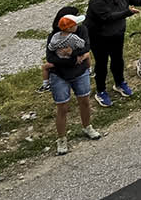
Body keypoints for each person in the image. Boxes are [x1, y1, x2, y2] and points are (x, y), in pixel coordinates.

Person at [43, 13, 100, 154]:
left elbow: (86, 48)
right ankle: (61, 138)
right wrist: (75, 59)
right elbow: (50, 57)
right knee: (62, 107)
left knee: (84, 101)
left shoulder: (81, 30)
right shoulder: (57, 36)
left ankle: (87, 126)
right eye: (74, 22)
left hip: (79, 72)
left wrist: (71, 54)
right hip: (60, 75)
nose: (78, 25)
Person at [85, 0, 141, 106]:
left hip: (117, 32)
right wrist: (127, 12)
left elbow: (135, 0)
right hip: (98, 36)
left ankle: (119, 83)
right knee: (101, 63)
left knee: (117, 59)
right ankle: (101, 91)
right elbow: (107, 17)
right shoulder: (96, 0)